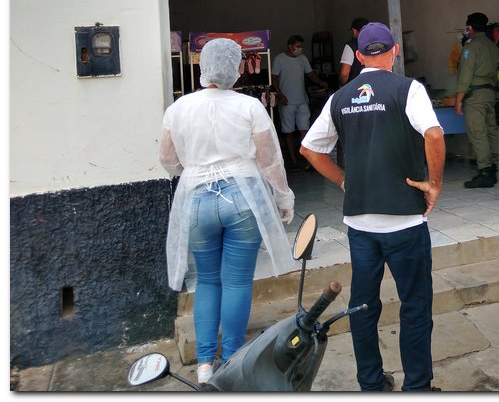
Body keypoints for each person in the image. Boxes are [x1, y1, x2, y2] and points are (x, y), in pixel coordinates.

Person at [300, 22, 445, 392]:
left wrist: (344, 181)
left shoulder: (340, 97)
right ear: (394, 52)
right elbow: (433, 134)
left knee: (363, 307)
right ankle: (417, 387)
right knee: (415, 305)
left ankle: (371, 383)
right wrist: (434, 183)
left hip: (361, 225)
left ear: (360, 56)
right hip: (405, 222)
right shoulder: (408, 89)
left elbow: (309, 149)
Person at [159, 38, 296, 385]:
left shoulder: (178, 109)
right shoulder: (249, 107)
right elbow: (270, 161)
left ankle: (205, 364)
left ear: (203, 67)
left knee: (207, 280)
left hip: (196, 199)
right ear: (236, 67)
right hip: (243, 196)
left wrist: (192, 166)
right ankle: (232, 357)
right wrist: (283, 198)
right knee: (236, 281)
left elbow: (167, 160)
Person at [455, 11, 499, 188]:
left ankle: (485, 171)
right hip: (489, 94)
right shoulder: (491, 45)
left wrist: (459, 99)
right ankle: (493, 167)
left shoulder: (471, 46)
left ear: (470, 28)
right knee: (490, 132)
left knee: (478, 133)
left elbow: (466, 74)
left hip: (475, 95)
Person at [272, 35, 329, 170]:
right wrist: (280, 95)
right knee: (289, 132)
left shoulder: (302, 59)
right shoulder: (279, 59)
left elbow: (310, 74)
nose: (300, 49)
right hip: (286, 102)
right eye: (298, 46)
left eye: (301, 47)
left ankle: (309, 161)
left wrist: (321, 82)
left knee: (305, 131)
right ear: (290, 46)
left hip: (302, 100)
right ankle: (294, 162)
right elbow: (274, 78)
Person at [338, 17, 369, 87]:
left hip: (355, 90)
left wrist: (341, 85)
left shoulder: (351, 46)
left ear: (354, 31)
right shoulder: (376, 44)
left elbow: (344, 75)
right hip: (373, 87)